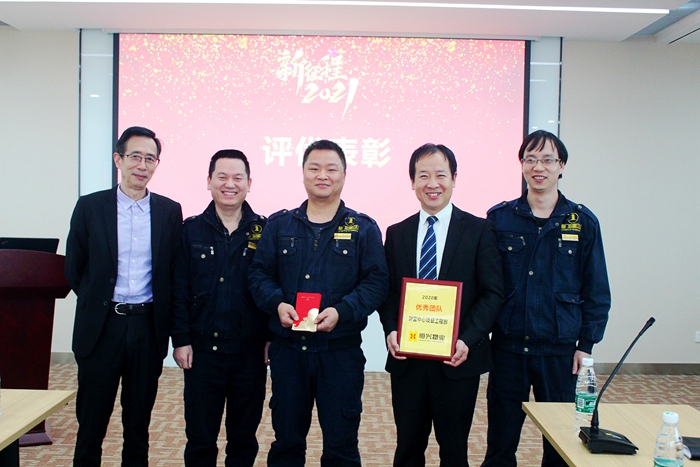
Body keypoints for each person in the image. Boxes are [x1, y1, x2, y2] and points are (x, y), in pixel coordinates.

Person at [248, 139, 389, 467]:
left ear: (344, 175)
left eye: (331, 169)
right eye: (314, 168)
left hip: (340, 354)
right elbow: (259, 275)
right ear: (303, 173)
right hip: (288, 353)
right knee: (286, 443)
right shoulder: (279, 225)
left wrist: (342, 311)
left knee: (341, 446)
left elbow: (376, 282)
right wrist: (277, 304)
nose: (322, 175)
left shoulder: (363, 228)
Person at [481, 130, 611, 467]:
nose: (539, 167)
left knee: (560, 442)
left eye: (548, 160)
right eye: (531, 159)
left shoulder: (582, 222)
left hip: (560, 351)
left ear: (561, 166)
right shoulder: (500, 218)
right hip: (509, 348)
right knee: (500, 441)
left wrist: (587, 344)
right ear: (522, 165)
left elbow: (596, 290)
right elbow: (486, 283)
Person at [378, 143, 505, 467]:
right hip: (408, 361)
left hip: (457, 360)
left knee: (454, 451)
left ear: (454, 179)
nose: (432, 184)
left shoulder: (479, 230)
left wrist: (467, 340)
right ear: (412, 182)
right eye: (423, 176)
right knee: (407, 449)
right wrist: (391, 330)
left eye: (440, 175)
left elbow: (492, 293)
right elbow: (388, 293)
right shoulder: (397, 233)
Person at [65, 126, 183, 467]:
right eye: (135, 157)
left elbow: (172, 271)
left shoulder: (169, 211)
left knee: (138, 423)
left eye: (150, 159)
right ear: (118, 159)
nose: (142, 166)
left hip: (147, 327)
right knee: (91, 421)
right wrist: (100, 303)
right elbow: (75, 267)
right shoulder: (90, 207)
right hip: (102, 328)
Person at [171, 149, 269, 466]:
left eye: (238, 177)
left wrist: (271, 338)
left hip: (250, 353)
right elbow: (178, 289)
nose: (230, 184)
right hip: (202, 353)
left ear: (249, 183)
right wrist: (181, 339)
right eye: (222, 176)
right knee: (200, 439)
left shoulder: (265, 231)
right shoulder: (190, 230)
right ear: (209, 181)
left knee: (243, 438)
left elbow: (274, 288)